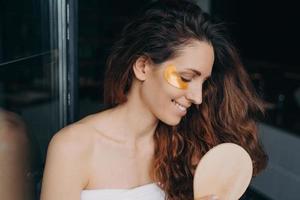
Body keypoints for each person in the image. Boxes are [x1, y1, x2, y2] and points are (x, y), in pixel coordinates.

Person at [40, 0, 268, 199]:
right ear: (143, 67)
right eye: (186, 77)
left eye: (203, 82)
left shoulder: (186, 148)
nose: (198, 97)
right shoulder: (72, 147)